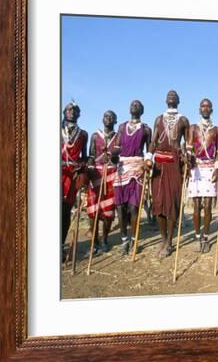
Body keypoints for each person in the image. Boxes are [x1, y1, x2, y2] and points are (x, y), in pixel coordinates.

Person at [145, 91, 190, 258]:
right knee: (158, 203)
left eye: (174, 95)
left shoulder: (184, 120)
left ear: (178, 100)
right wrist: (148, 157)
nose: (171, 96)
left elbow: (188, 142)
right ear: (165, 100)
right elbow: (154, 141)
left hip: (174, 164)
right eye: (169, 95)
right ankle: (163, 238)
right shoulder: (159, 119)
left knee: (172, 203)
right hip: (158, 165)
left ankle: (170, 241)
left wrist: (187, 155)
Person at [113, 100, 152, 255]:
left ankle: (134, 240)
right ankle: (124, 240)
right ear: (129, 109)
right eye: (132, 105)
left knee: (134, 207)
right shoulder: (122, 127)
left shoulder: (146, 129)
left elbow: (149, 149)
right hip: (122, 169)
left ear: (142, 111)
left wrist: (148, 161)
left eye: (138, 105)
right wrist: (112, 156)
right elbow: (116, 148)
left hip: (137, 168)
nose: (134, 106)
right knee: (120, 208)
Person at [187, 99, 218, 253]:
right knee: (196, 206)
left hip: (209, 168)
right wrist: (188, 159)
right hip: (196, 168)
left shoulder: (216, 130)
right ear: (199, 109)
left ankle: (206, 237)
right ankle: (197, 237)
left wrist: (216, 168)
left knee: (208, 206)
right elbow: (189, 147)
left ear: (212, 110)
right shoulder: (193, 128)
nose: (205, 108)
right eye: (203, 106)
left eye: (208, 106)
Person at [86, 110, 119, 254]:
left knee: (108, 210)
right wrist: (91, 167)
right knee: (93, 210)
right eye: (106, 116)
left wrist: (112, 157)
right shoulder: (95, 136)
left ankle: (105, 239)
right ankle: (95, 241)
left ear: (115, 121)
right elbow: (91, 155)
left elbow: (119, 156)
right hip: (96, 174)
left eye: (112, 117)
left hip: (112, 173)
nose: (109, 118)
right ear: (102, 119)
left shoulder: (118, 137)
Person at [61, 102, 88, 248]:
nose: (72, 112)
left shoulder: (83, 134)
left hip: (72, 175)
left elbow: (83, 156)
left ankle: (61, 244)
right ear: (64, 112)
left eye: (75, 110)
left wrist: (83, 167)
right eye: (69, 109)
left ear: (79, 114)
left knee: (66, 211)